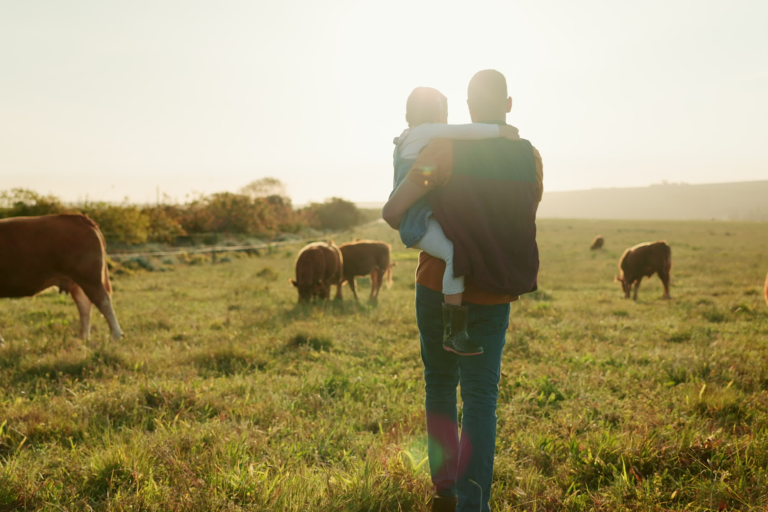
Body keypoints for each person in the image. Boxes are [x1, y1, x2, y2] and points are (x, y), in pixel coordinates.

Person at [382, 70, 543, 512]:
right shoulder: (530, 157)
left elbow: (395, 211)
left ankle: (445, 493)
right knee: (481, 400)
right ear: (507, 105)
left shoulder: (443, 148)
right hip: (493, 290)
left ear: (467, 111)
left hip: (437, 286)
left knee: (439, 385)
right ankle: (474, 507)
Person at [391, 86, 520, 356]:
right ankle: (455, 332)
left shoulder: (408, 136)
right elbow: (466, 132)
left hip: (420, 215)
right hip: (418, 219)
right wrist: (501, 132)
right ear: (436, 113)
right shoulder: (427, 132)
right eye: (445, 112)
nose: (448, 119)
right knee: (454, 253)